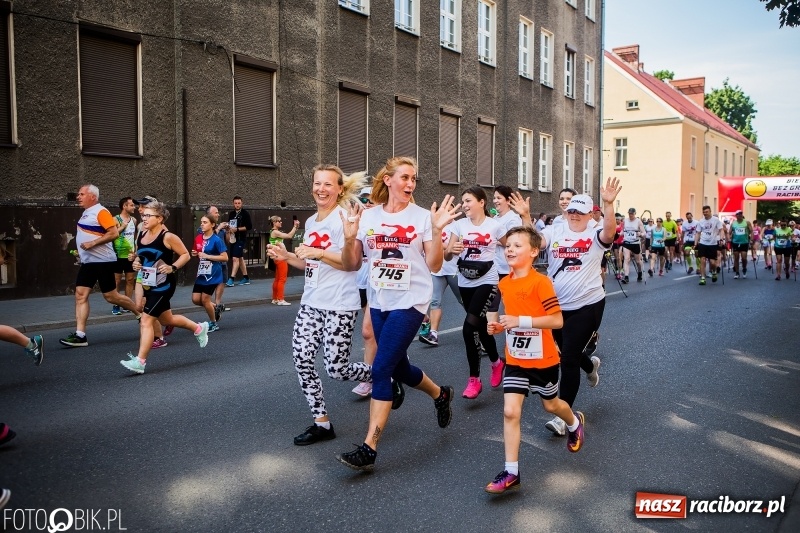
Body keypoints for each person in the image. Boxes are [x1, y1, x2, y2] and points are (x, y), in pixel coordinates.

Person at [336, 156, 460, 471]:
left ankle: (369, 447)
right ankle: (441, 394)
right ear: (388, 180)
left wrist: (434, 228)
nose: (410, 184)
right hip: (380, 301)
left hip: (412, 301)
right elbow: (353, 263)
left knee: (380, 369)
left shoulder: (421, 218)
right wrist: (350, 237)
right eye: (404, 177)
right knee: (399, 368)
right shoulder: (368, 216)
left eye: (414, 179)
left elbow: (433, 265)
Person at [268, 165, 374, 445]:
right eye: (317, 183)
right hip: (311, 303)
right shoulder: (313, 221)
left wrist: (318, 251)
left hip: (340, 304)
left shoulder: (345, 218)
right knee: (302, 359)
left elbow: (351, 264)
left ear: (340, 189)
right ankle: (322, 423)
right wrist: (286, 256)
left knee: (336, 369)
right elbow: (309, 263)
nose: (321, 189)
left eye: (328, 184)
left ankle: (383, 374)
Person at [509, 179, 619, 437]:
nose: (574, 216)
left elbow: (610, 233)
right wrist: (526, 216)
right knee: (567, 352)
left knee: (567, 358)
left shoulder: (595, 232)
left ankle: (565, 415)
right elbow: (534, 242)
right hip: (558, 306)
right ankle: (590, 366)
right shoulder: (556, 230)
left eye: (580, 212)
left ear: (590, 214)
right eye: (571, 212)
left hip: (588, 304)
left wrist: (609, 204)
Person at [484, 227, 584, 494]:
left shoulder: (541, 282)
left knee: (551, 405)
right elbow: (506, 316)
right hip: (516, 358)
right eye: (508, 246)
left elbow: (556, 320)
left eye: (517, 245)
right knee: (510, 411)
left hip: (544, 360)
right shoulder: (505, 283)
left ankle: (574, 422)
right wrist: (498, 327)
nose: (510, 250)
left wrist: (520, 321)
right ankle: (512, 472)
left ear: (533, 252)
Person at [120, 201, 209, 374]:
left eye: (148, 215)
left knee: (146, 320)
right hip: (148, 283)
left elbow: (185, 255)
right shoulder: (142, 233)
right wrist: (137, 262)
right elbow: (141, 255)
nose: (144, 218)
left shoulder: (168, 237)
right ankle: (199, 328)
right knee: (167, 320)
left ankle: (140, 361)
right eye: (143, 215)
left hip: (164, 285)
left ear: (159, 218)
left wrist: (172, 267)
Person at [446, 186, 506, 399]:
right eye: (463, 201)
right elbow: (446, 256)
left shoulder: (495, 226)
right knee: (480, 328)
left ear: (481, 202)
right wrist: (450, 251)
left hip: (488, 281)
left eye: (469, 200)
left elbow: (513, 247)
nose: (465, 205)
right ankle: (497, 362)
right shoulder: (458, 225)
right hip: (465, 280)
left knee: (468, 327)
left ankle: (474, 380)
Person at [59, 185, 138, 348]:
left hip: (104, 261)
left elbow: (113, 233)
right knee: (80, 295)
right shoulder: (86, 213)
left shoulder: (101, 212)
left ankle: (140, 313)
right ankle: (80, 335)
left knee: (111, 297)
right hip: (88, 262)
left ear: (92, 197)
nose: (78, 197)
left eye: (82, 194)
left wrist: (93, 243)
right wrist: (81, 252)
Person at [418, 221, 462, 347]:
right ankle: (433, 334)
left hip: (454, 270)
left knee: (464, 301)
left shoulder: (458, 227)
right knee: (434, 301)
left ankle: (478, 328)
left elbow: (458, 249)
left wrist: (439, 244)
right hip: (437, 272)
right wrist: (446, 246)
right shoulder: (432, 228)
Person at [353, 187, 379, 396]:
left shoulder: (383, 223)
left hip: (380, 284)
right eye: (364, 199)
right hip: (359, 283)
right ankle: (394, 358)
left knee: (368, 332)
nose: (368, 202)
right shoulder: (354, 221)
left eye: (373, 199)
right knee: (375, 332)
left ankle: (368, 378)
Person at [489, 185, 523, 323]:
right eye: (494, 197)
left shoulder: (513, 219)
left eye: (499, 198)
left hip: (507, 268)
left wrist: (495, 240)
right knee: (491, 304)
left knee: (511, 304)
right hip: (492, 268)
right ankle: (490, 334)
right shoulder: (494, 219)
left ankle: (516, 331)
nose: (495, 201)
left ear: (508, 201)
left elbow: (513, 242)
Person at [191, 215, 228, 332]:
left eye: (205, 222)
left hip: (213, 273)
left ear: (212, 225)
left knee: (205, 299)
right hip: (201, 273)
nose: (202, 224)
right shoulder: (198, 238)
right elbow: (196, 251)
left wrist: (208, 256)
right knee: (196, 299)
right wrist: (195, 253)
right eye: (201, 222)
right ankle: (215, 308)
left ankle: (213, 323)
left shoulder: (217, 240)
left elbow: (225, 257)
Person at [111, 197, 137, 315]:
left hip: (130, 255)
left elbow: (134, 237)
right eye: (131, 205)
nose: (134, 207)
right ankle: (116, 305)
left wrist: (135, 251)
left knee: (130, 280)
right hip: (117, 254)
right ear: (124, 206)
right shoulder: (115, 219)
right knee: (116, 280)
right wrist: (122, 226)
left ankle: (127, 304)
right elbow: (112, 235)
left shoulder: (134, 220)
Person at [268, 215, 300, 305]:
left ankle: (275, 299)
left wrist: (295, 228)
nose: (281, 222)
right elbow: (289, 236)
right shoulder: (275, 232)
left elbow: (289, 234)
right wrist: (294, 227)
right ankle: (280, 299)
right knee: (282, 279)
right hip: (280, 257)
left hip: (276, 257)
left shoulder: (273, 232)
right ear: (274, 222)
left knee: (277, 279)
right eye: (279, 221)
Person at [206, 205, 230, 320]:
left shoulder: (219, 228)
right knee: (209, 284)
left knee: (222, 281)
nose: (218, 214)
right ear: (209, 214)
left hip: (222, 260)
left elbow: (228, 241)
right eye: (216, 212)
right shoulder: (204, 227)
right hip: (211, 261)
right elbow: (208, 239)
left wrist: (228, 232)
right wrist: (219, 228)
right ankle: (212, 305)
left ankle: (217, 304)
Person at [694, 205, 725, 286]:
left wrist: (721, 239)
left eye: (707, 212)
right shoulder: (700, 221)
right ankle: (703, 278)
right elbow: (698, 233)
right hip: (703, 242)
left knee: (712, 262)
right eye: (704, 212)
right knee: (702, 260)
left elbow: (721, 230)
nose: (705, 213)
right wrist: (695, 243)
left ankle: (714, 271)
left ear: (710, 211)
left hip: (713, 243)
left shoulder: (716, 220)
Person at [226, 196, 253, 287]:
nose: (237, 205)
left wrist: (237, 229)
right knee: (240, 258)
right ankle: (246, 277)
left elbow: (249, 227)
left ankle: (231, 279)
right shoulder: (231, 214)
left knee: (235, 258)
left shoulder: (245, 214)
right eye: (235, 203)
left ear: (242, 203)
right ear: (233, 204)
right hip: (233, 238)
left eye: (239, 203)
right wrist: (229, 233)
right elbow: (229, 225)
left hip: (241, 238)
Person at [621, 207, 645, 283]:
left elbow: (644, 233)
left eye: (632, 213)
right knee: (627, 259)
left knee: (638, 261)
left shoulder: (638, 221)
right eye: (629, 213)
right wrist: (619, 234)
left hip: (635, 243)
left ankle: (640, 272)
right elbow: (622, 231)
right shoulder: (625, 221)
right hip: (627, 242)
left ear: (635, 213)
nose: (630, 215)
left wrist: (640, 234)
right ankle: (626, 277)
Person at [728, 210, 752, 279]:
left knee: (744, 258)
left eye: (741, 214)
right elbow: (730, 232)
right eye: (738, 214)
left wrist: (751, 239)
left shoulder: (747, 222)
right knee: (736, 258)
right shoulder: (733, 224)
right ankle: (737, 272)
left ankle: (744, 268)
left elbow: (751, 231)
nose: (740, 215)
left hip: (744, 242)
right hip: (735, 242)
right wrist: (729, 238)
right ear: (736, 215)